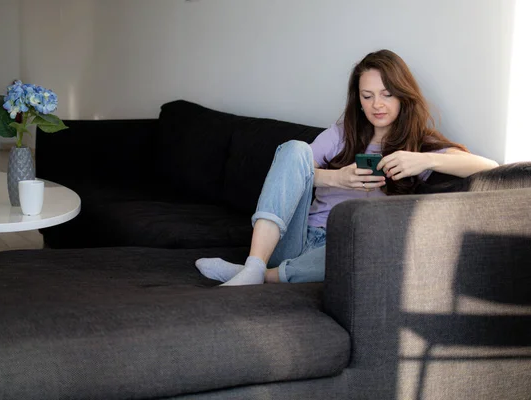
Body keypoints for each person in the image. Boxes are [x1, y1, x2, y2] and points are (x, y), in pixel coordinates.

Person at [196, 49, 499, 286]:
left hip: (343, 245)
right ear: (359, 100)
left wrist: (425, 159)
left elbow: (488, 166)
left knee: (368, 245)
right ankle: (255, 263)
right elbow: (289, 171)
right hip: (297, 236)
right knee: (294, 149)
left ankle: (264, 276)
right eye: (367, 97)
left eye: (386, 95)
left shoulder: (419, 146)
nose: (377, 105)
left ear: (403, 96)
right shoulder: (343, 132)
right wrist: (337, 178)